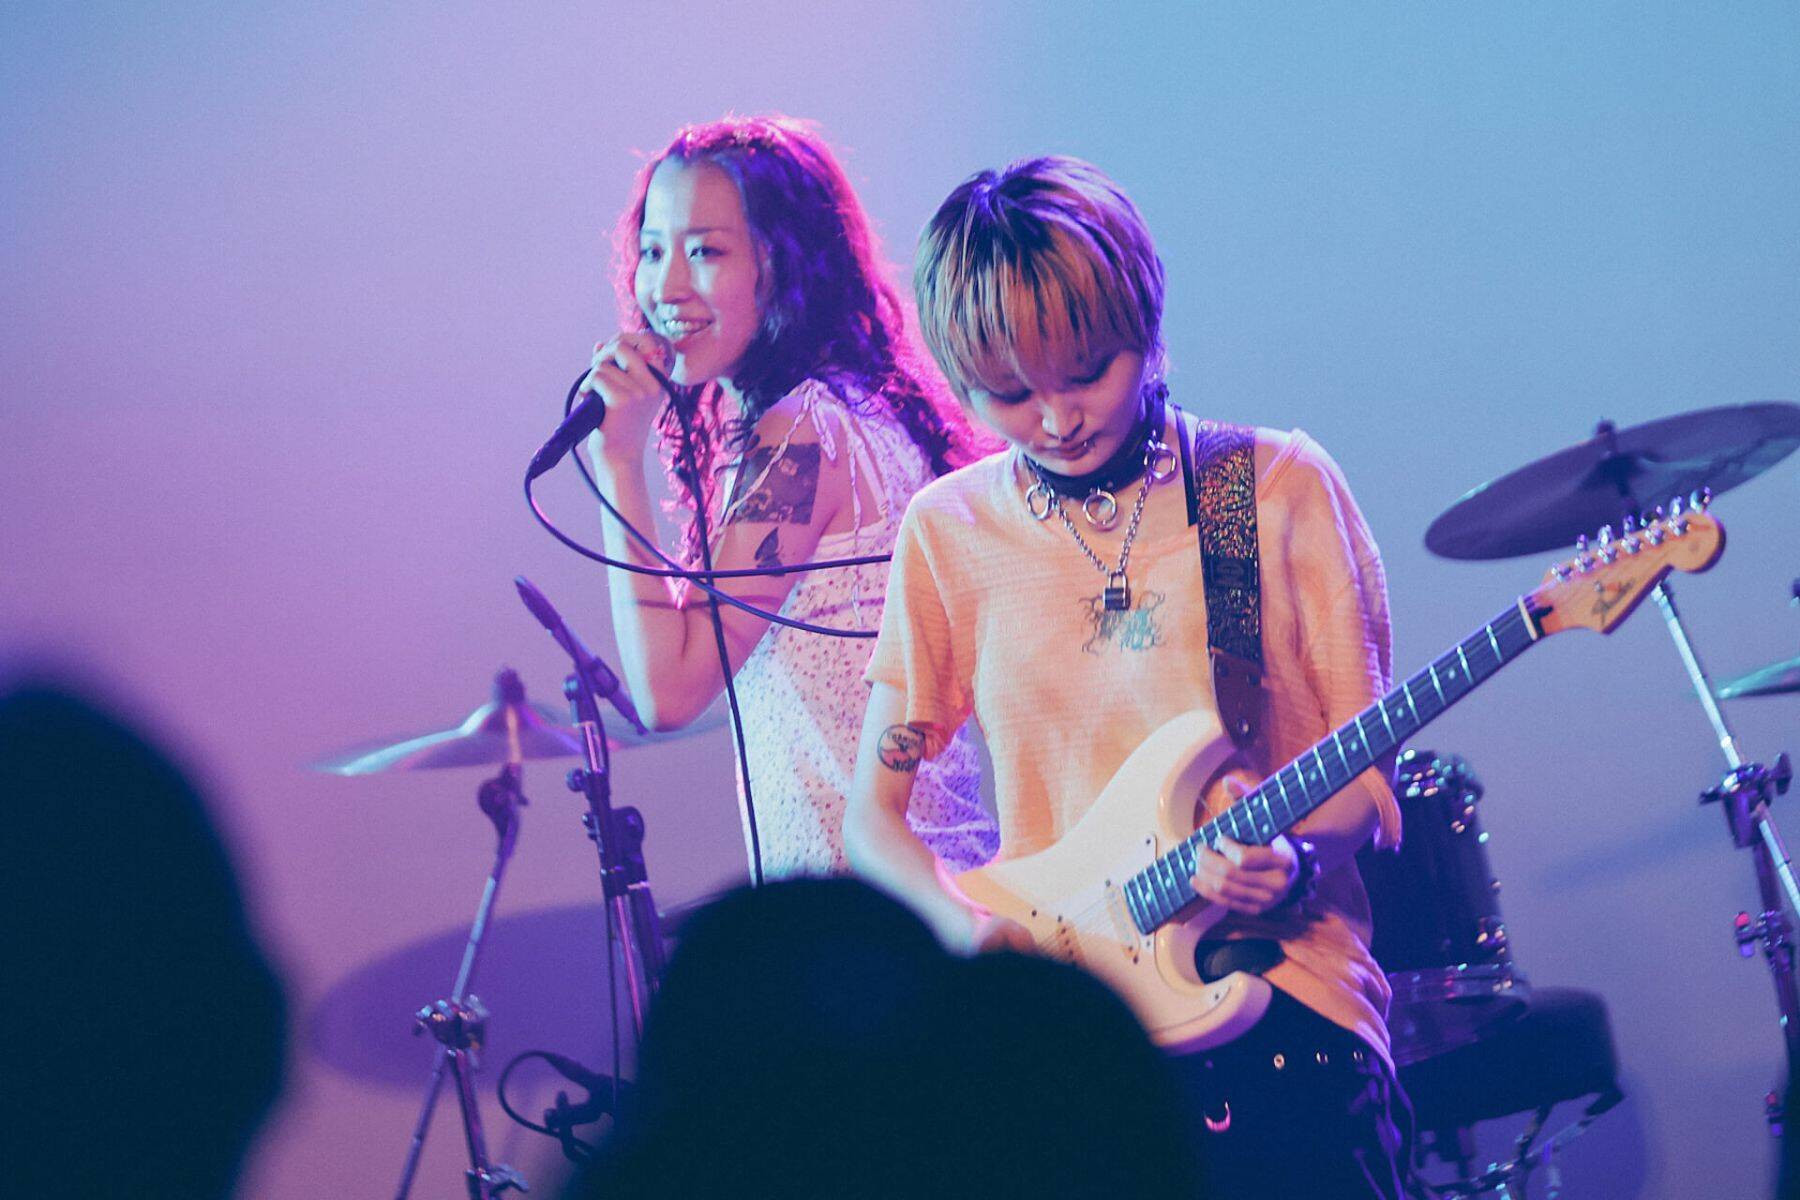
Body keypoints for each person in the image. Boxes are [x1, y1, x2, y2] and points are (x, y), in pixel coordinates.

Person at [845, 156, 1415, 1197]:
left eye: (1085, 371)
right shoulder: (948, 531)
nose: (1055, 418)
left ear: (1144, 324)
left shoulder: (1267, 487)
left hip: (1284, 1003)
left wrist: (1290, 856)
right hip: (1071, 1048)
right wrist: (967, 930)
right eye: (1009, 393)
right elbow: (872, 819)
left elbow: (1366, 779)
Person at [578, 115, 998, 879]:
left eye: (705, 251)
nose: (666, 288)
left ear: (786, 263)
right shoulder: (848, 409)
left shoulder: (804, 434)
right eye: (653, 250)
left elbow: (668, 691)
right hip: (911, 899)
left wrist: (617, 462)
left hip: (876, 914)